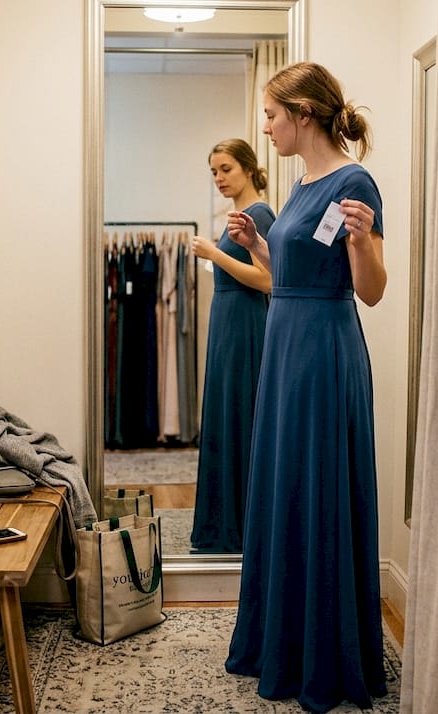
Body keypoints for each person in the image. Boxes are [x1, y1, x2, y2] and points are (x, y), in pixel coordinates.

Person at [223, 62, 388, 712]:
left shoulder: (353, 180)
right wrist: (260, 246)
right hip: (286, 347)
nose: (264, 128)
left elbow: (369, 291)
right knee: (286, 487)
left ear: (303, 114)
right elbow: (291, 272)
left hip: (322, 351)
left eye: (270, 115)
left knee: (316, 489)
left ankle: (322, 657)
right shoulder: (300, 184)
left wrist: (363, 243)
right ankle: (283, 642)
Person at [188, 138, 276, 554]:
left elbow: (268, 280)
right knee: (226, 415)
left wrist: (212, 253)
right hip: (228, 324)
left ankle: (238, 529)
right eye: (214, 172)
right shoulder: (238, 215)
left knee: (239, 415)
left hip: (245, 325)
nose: (219, 178)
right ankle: (225, 527)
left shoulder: (259, 214)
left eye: (226, 169)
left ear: (247, 168)